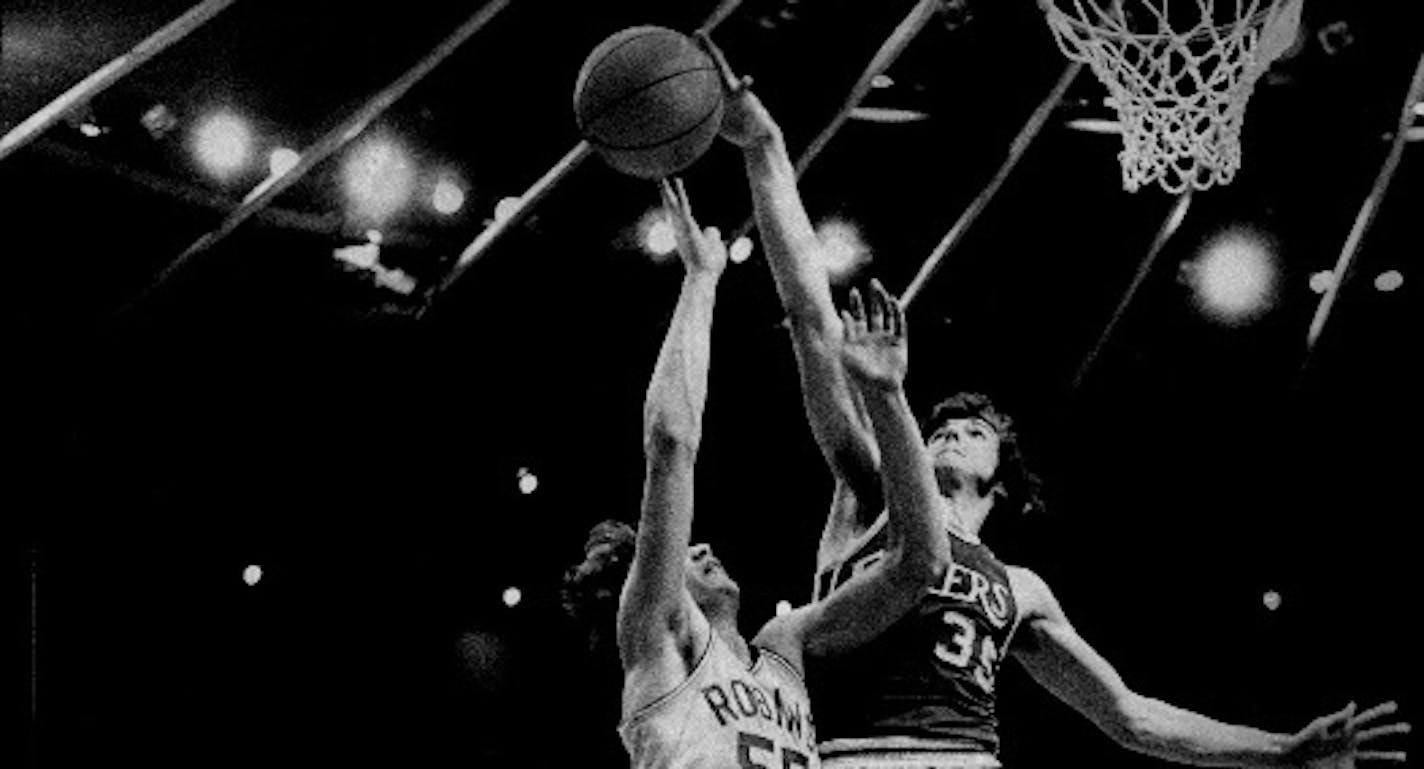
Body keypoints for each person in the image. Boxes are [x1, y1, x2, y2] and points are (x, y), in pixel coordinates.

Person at [706, 42, 1412, 769]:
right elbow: (812, 321)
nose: (949, 433)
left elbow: (1132, 716)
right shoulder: (867, 490)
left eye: (971, 430)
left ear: (1001, 479)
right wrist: (765, 147)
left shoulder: (1021, 590)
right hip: (861, 753)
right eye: (941, 425)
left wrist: (1281, 750)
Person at [562, 177, 953, 769]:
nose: (704, 546)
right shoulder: (660, 640)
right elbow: (671, 442)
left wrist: (886, 394)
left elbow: (922, 562)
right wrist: (700, 278)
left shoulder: (785, 646)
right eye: (682, 555)